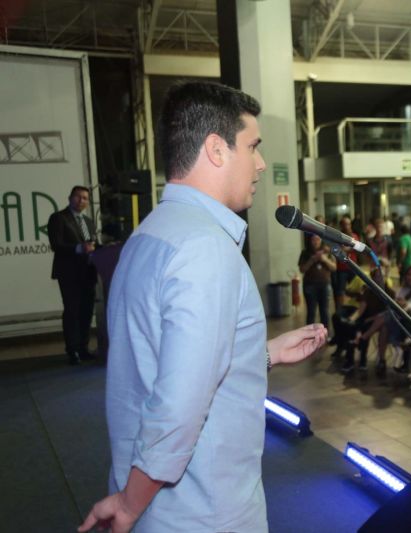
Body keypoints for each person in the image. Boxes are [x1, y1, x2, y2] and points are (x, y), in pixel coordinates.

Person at [78, 82, 327, 533]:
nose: (261, 163)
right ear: (216, 149)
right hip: (203, 512)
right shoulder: (204, 249)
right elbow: (179, 404)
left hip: (166, 507)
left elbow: (167, 362)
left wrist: (263, 353)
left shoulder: (150, 235)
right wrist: (130, 505)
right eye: (252, 146)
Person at [47, 185, 98, 366]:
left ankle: (83, 348)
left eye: (85, 198)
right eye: (78, 197)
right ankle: (73, 351)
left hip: (88, 273)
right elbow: (56, 244)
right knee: (72, 311)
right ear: (70, 198)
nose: (81, 200)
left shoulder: (90, 222)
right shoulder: (58, 218)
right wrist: (79, 248)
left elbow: (93, 245)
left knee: (86, 312)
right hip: (69, 274)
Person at [298, 234, 336, 329]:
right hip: (310, 285)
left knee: (325, 311)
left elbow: (334, 268)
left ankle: (325, 334)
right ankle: (309, 335)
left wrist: (324, 259)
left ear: (321, 240)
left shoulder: (327, 251)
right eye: (313, 240)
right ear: (310, 241)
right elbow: (302, 269)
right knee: (311, 312)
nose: (316, 242)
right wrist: (312, 260)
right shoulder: (305, 252)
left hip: (324, 284)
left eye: (318, 240)